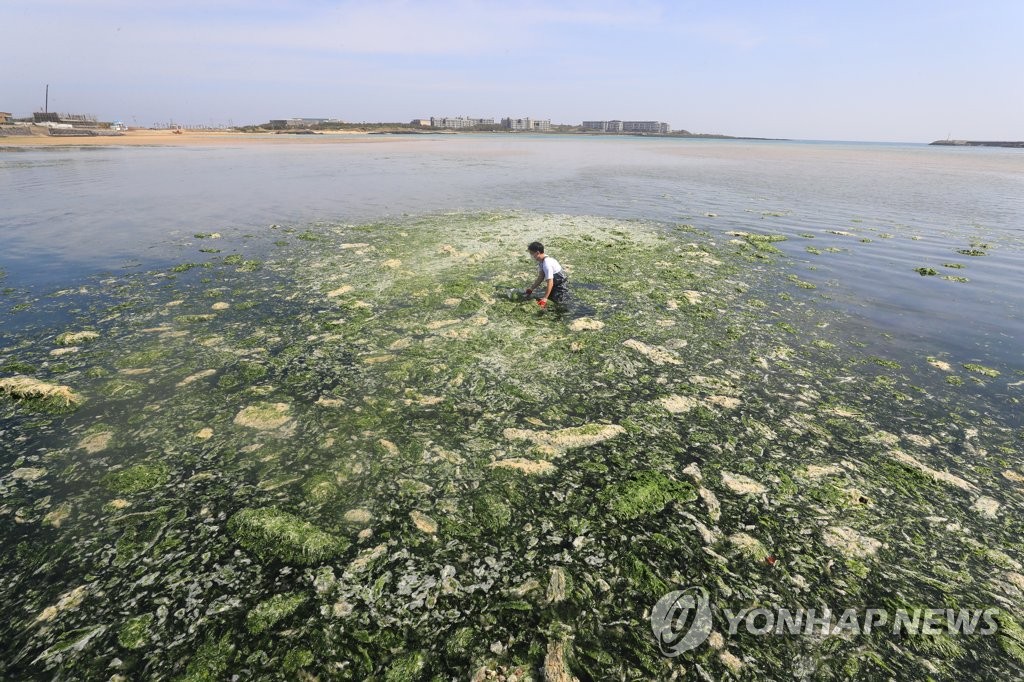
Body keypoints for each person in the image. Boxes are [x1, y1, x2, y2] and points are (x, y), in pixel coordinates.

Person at [524, 241, 568, 307]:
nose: (531, 256)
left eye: (532, 254)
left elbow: (550, 282)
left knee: (557, 304)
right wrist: (531, 288)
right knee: (549, 299)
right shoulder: (541, 262)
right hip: (554, 284)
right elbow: (541, 277)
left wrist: (544, 298)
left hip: (560, 285)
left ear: (537, 253)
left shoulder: (547, 264)